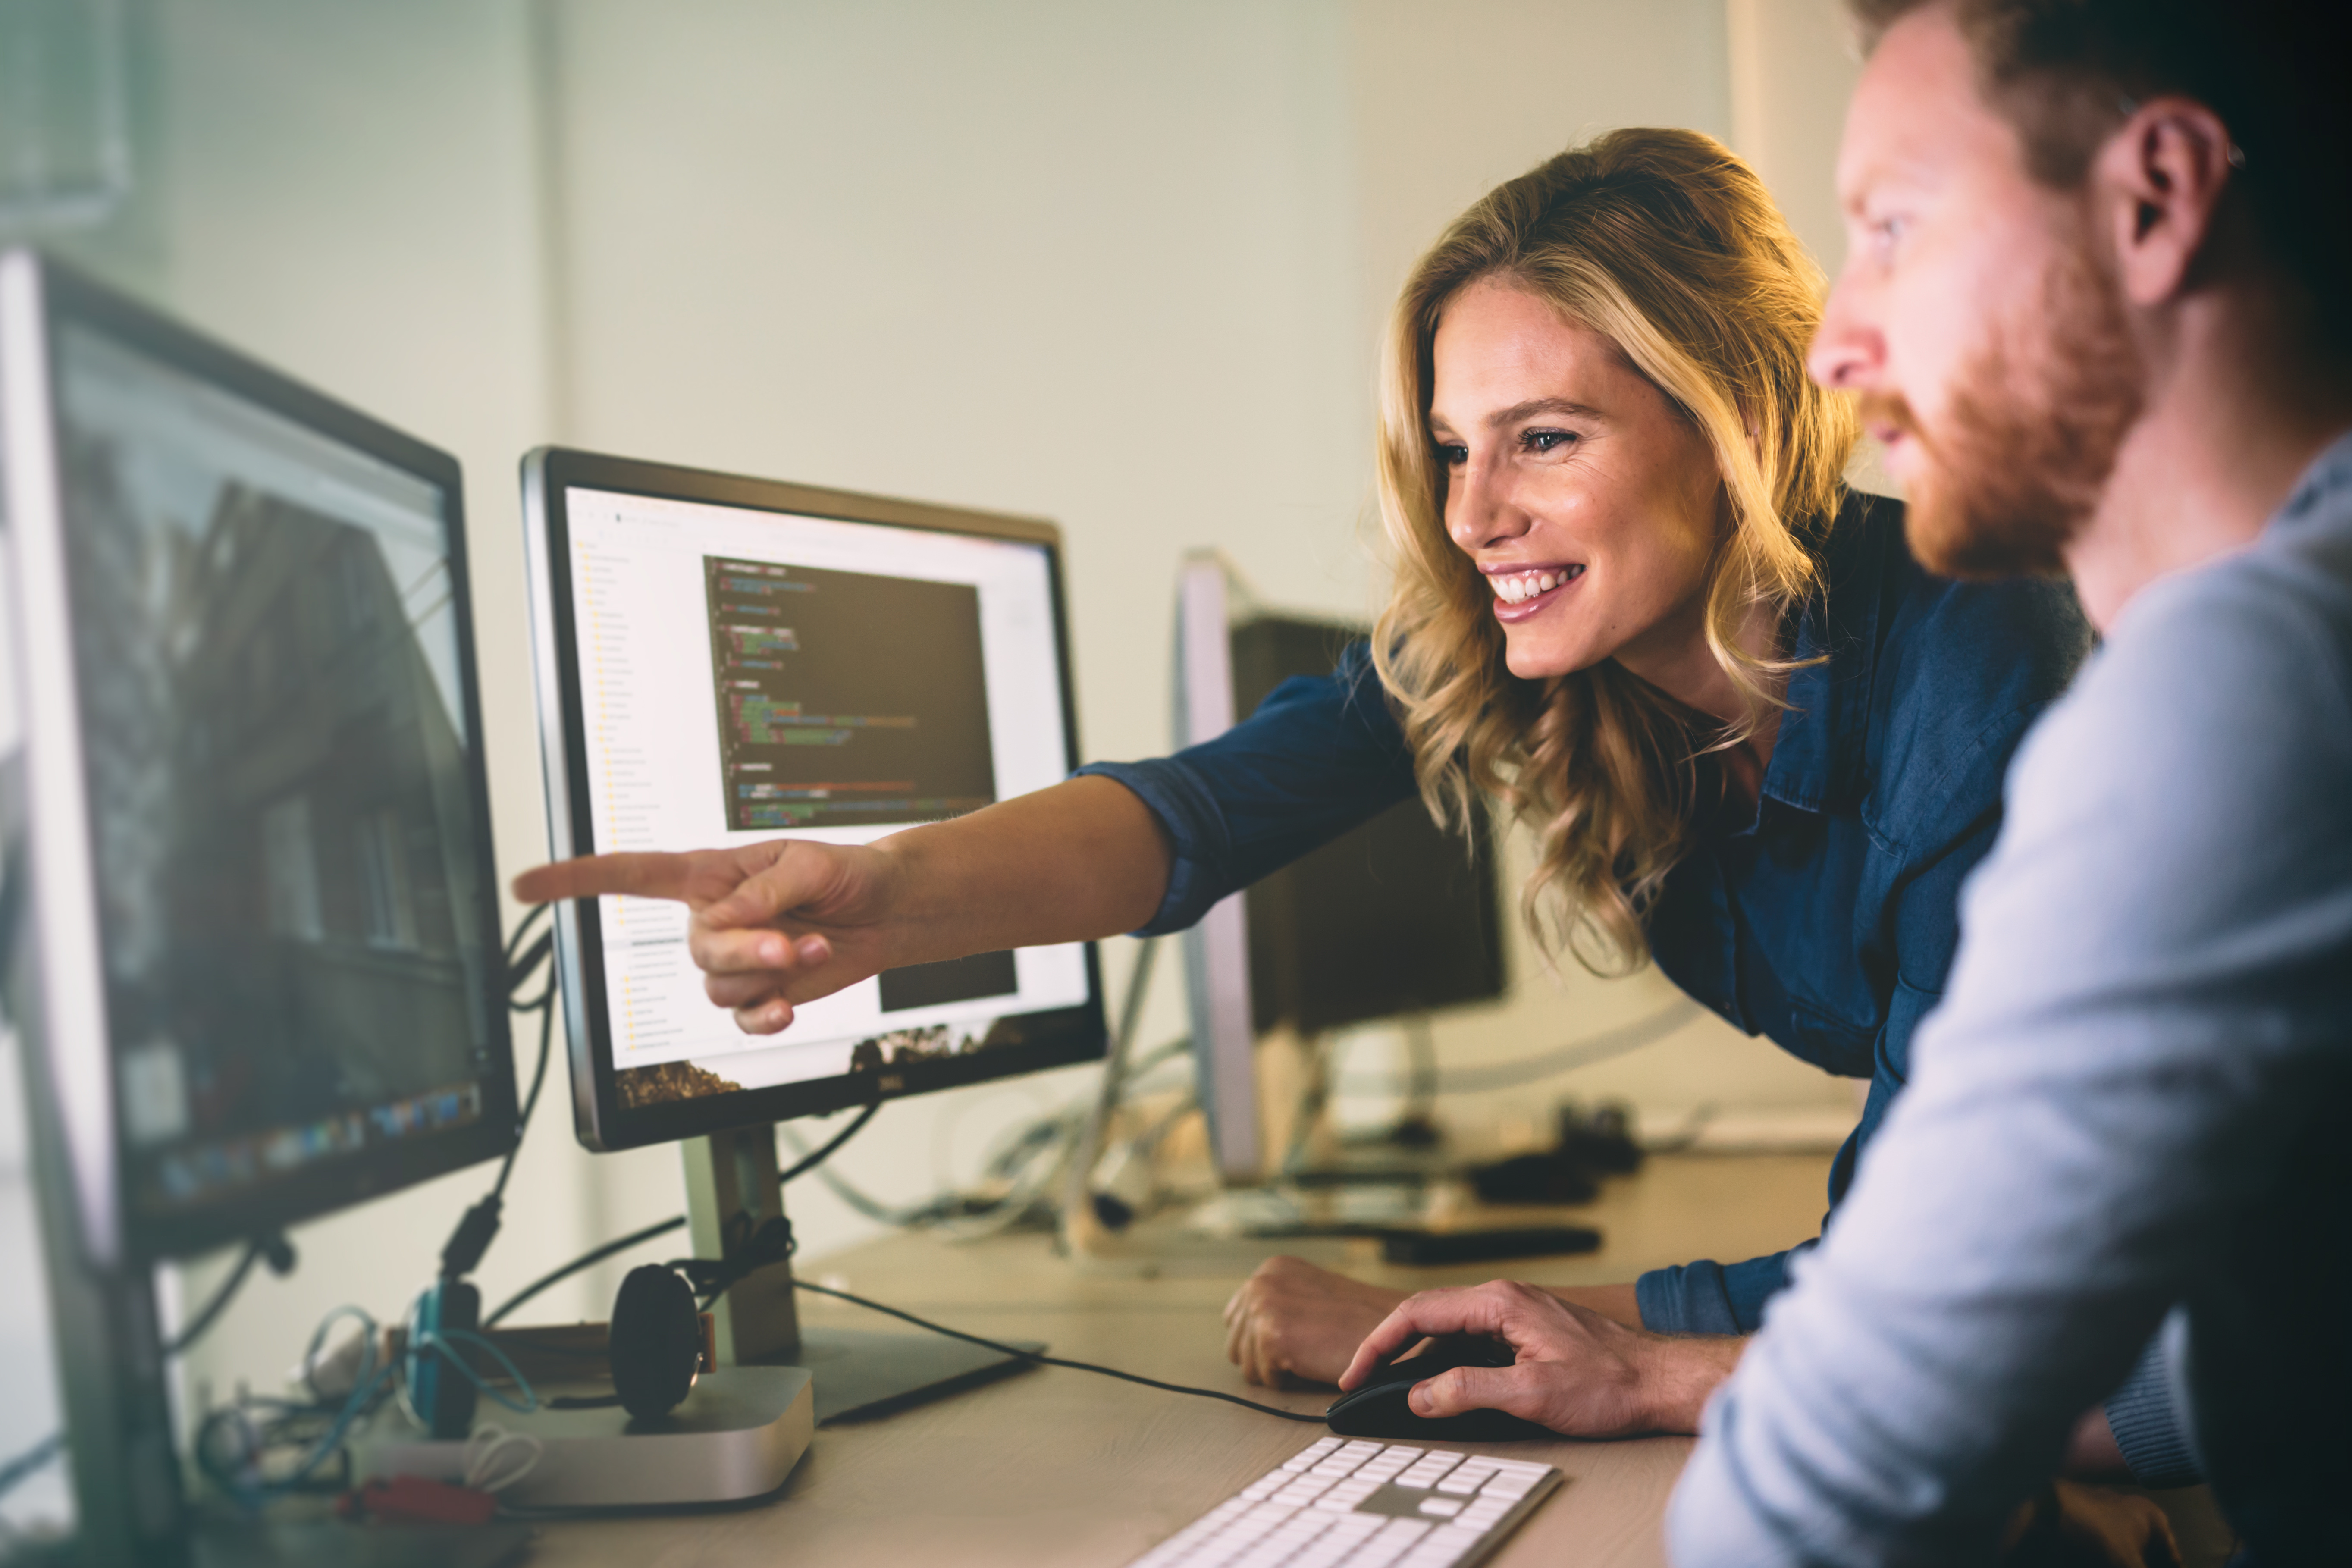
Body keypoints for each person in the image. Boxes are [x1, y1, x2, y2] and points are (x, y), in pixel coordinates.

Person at [514, 129, 2092, 1450]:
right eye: (1455, 447)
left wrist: (1583, 1341)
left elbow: (1929, 1300)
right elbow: (1198, 814)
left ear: (1738, 416)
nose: (1474, 515)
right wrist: (889, 900)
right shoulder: (1552, 652)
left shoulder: (1976, 678)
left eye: (1544, 437)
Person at [1342, 1, 2352, 1562]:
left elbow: (1814, 1498)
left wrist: (1663, 1370)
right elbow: (2252, 1323)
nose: (1834, 341)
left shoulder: (2248, 680)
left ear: (2151, 199)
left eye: (1893, 225)